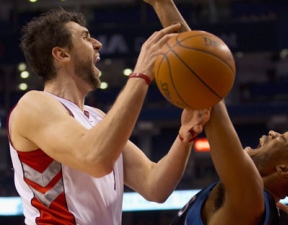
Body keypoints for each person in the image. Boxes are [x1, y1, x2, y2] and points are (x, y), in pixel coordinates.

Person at [7, 6, 211, 225]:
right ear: (62, 54)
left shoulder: (98, 118)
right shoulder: (33, 105)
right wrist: (141, 74)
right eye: (86, 37)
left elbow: (155, 186)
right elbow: (95, 159)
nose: (98, 43)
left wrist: (184, 137)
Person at [143, 0, 288, 224]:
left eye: (283, 139)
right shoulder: (265, 208)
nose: (273, 132)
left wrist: (162, 5)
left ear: (284, 169)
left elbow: (206, 83)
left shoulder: (250, 196)